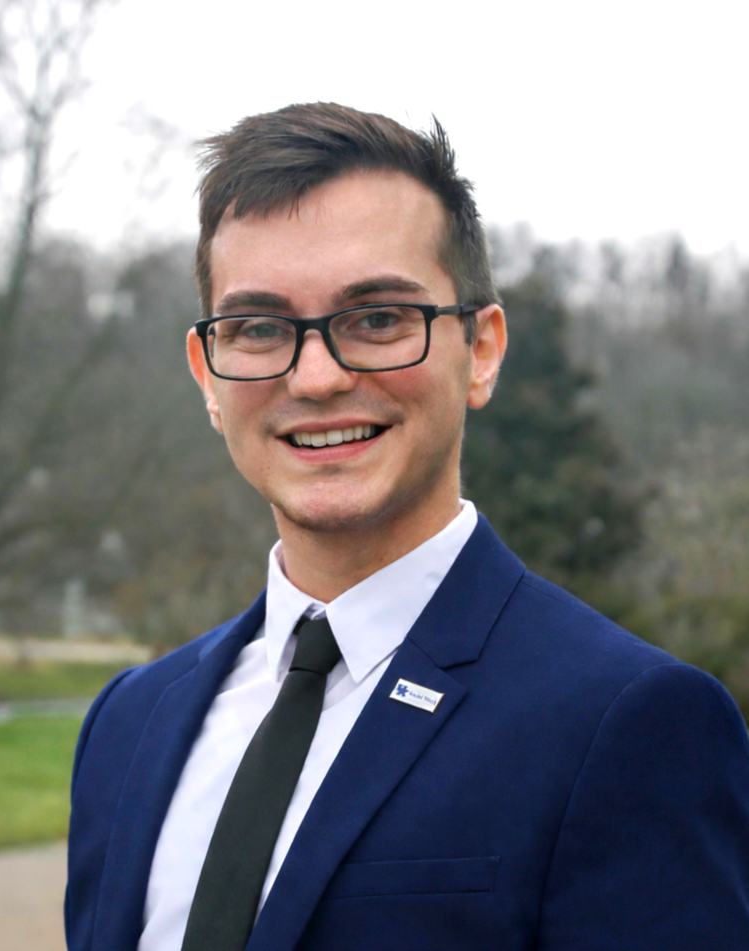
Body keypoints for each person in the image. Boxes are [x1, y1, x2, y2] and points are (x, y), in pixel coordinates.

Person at [65, 103, 749, 951]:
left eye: (378, 319)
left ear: (481, 349)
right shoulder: (129, 723)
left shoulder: (627, 723)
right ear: (208, 374)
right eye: (259, 328)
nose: (316, 378)